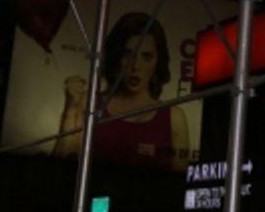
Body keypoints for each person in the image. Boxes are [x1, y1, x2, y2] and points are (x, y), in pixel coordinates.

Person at [53, 12, 190, 172]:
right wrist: (70, 111)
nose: (135, 66)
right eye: (128, 54)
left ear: (158, 62)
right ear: (116, 56)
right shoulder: (88, 105)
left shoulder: (174, 118)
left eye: (146, 57)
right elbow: (57, 172)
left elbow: (180, 188)